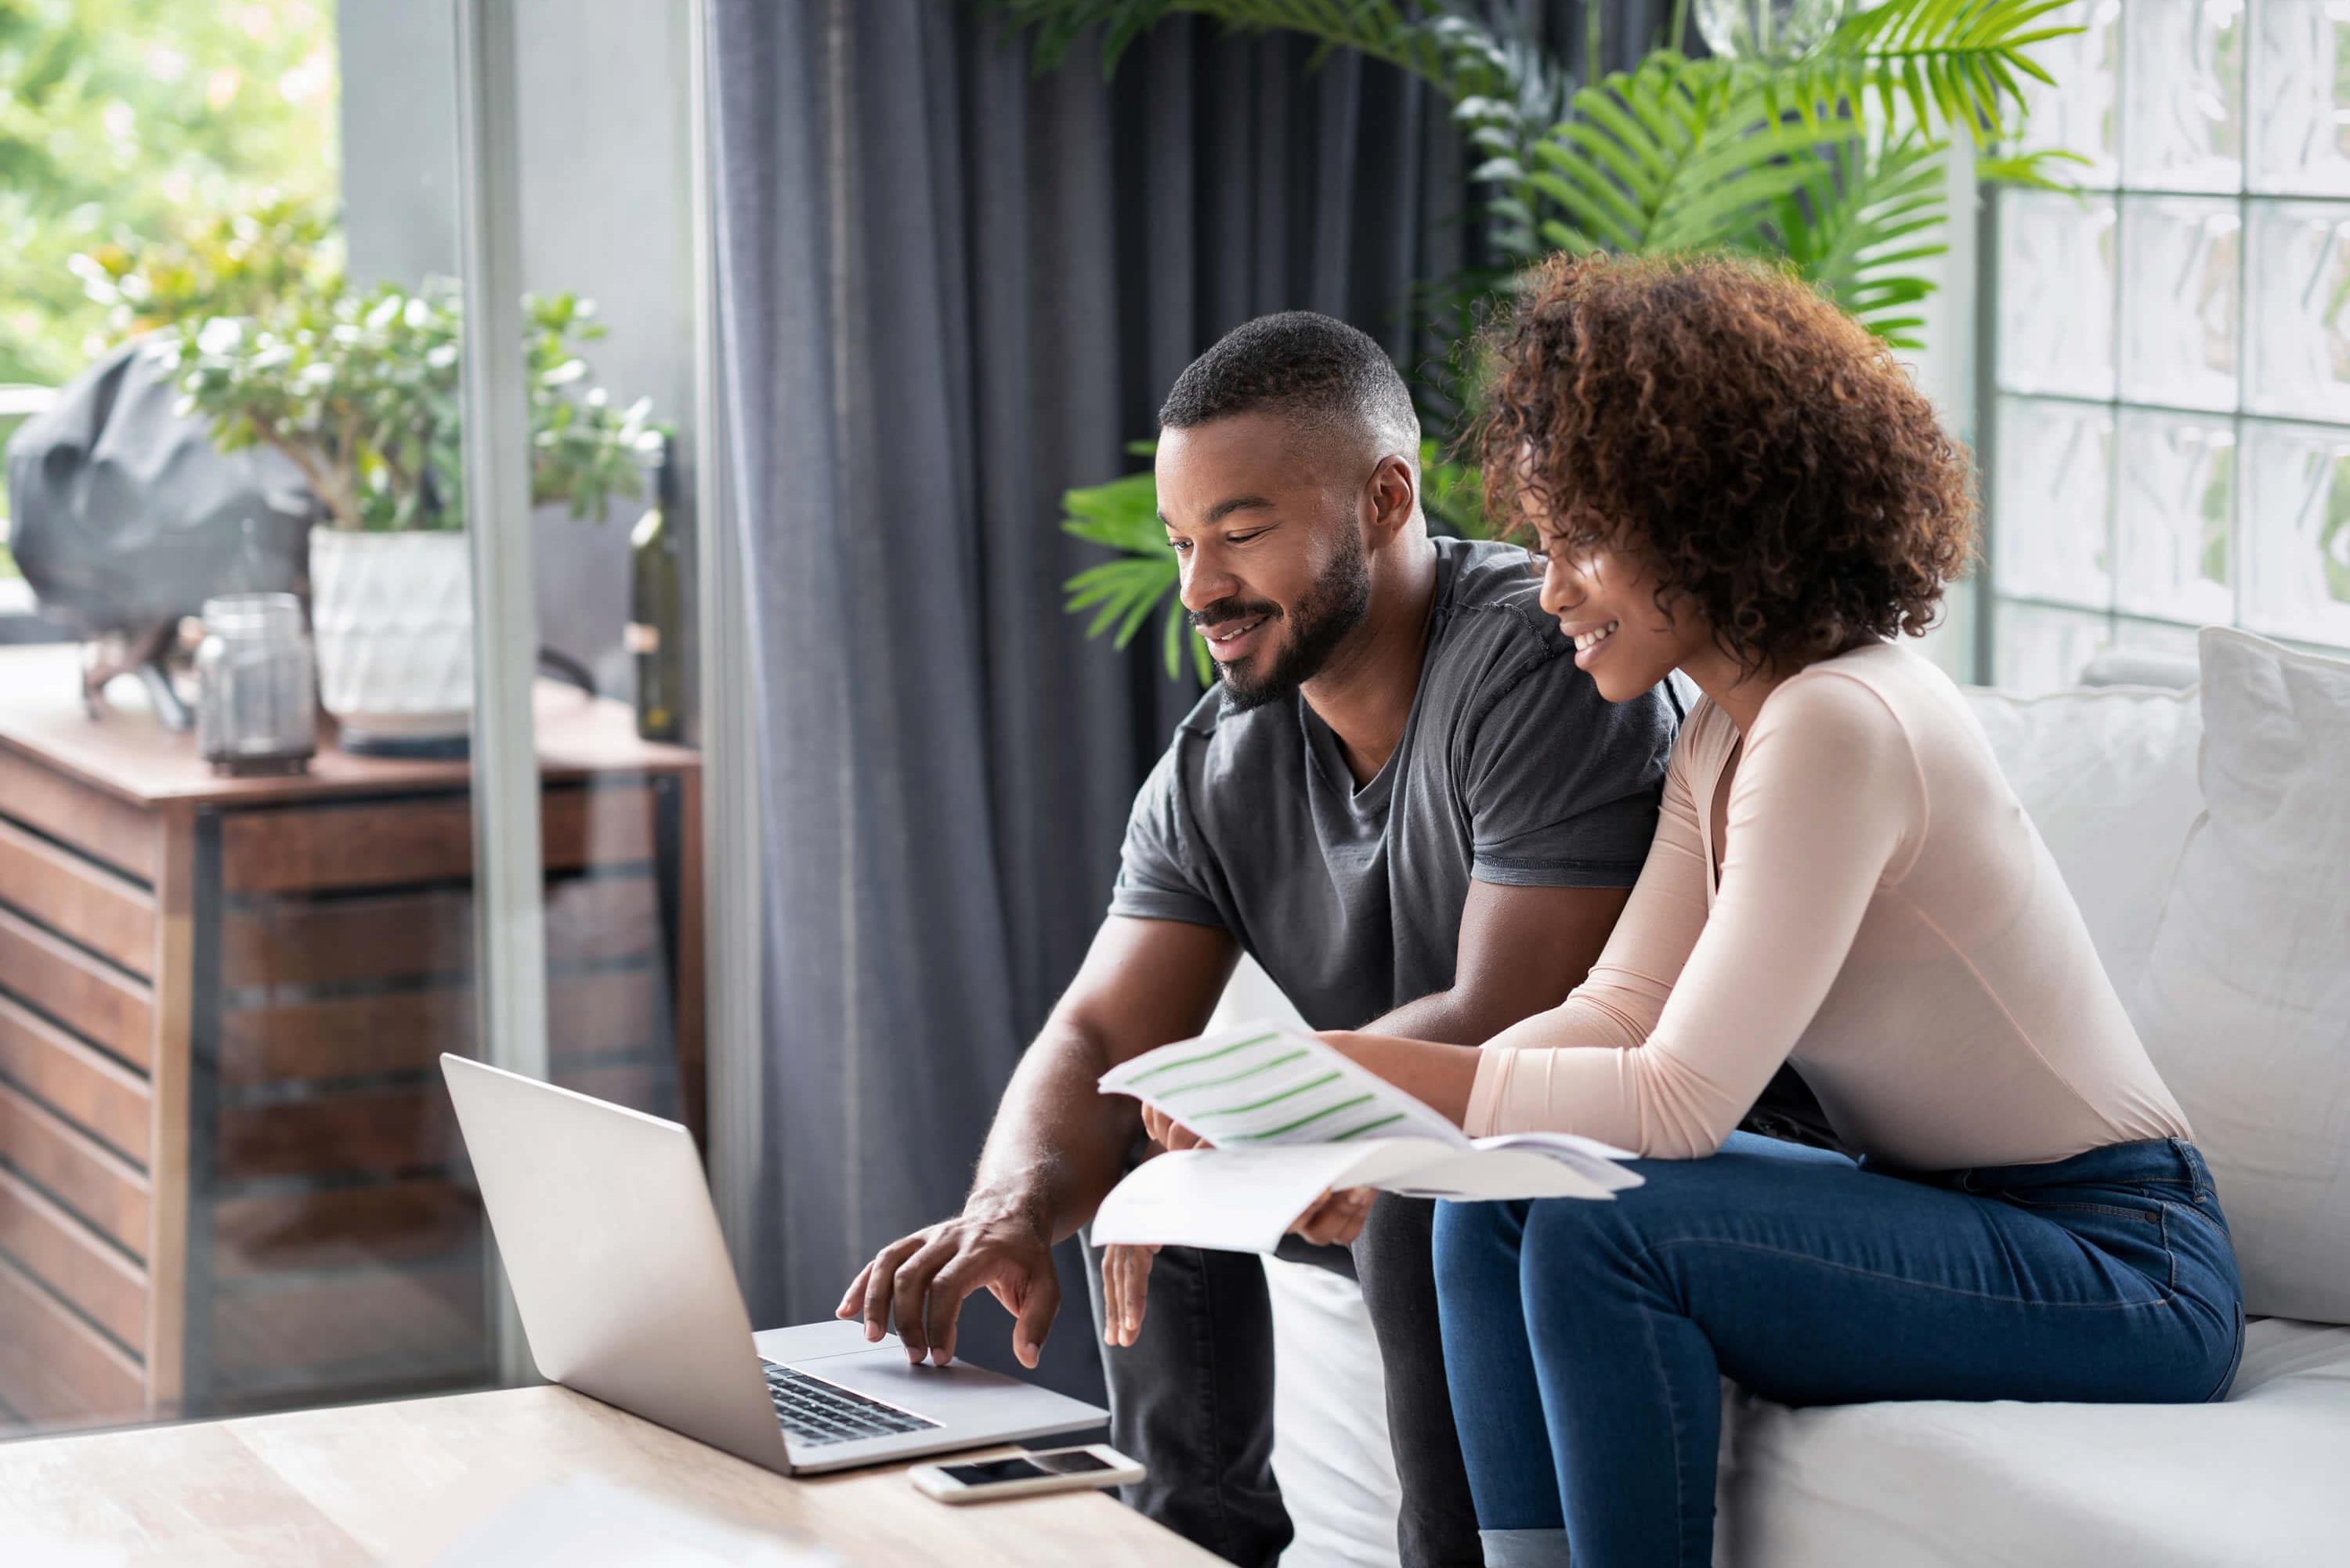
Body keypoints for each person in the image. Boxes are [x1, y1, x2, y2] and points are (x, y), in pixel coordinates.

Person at [1208, 255, 2244, 1568]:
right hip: (1971, 1210)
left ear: (1703, 513)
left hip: (2124, 1258)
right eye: (1540, 543)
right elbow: (1611, 1011)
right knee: (1488, 1195)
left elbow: (1680, 1099)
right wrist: (1389, 1114)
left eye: (1580, 540)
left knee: (1603, 1226)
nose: (1551, 590)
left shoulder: (1837, 720)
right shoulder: (1727, 733)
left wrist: (1347, 1076)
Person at [835, 310, 1721, 1568]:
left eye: (1241, 532)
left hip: (1626, 1157)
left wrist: (1270, 1108)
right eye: (1183, 542)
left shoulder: (1539, 663)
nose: (1200, 588)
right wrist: (1013, 1207)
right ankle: (1191, 1544)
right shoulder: (1216, 764)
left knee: (1416, 1187)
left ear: (1383, 499)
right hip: (1400, 1153)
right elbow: (1099, 1028)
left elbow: (1514, 1021)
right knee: (1154, 1150)